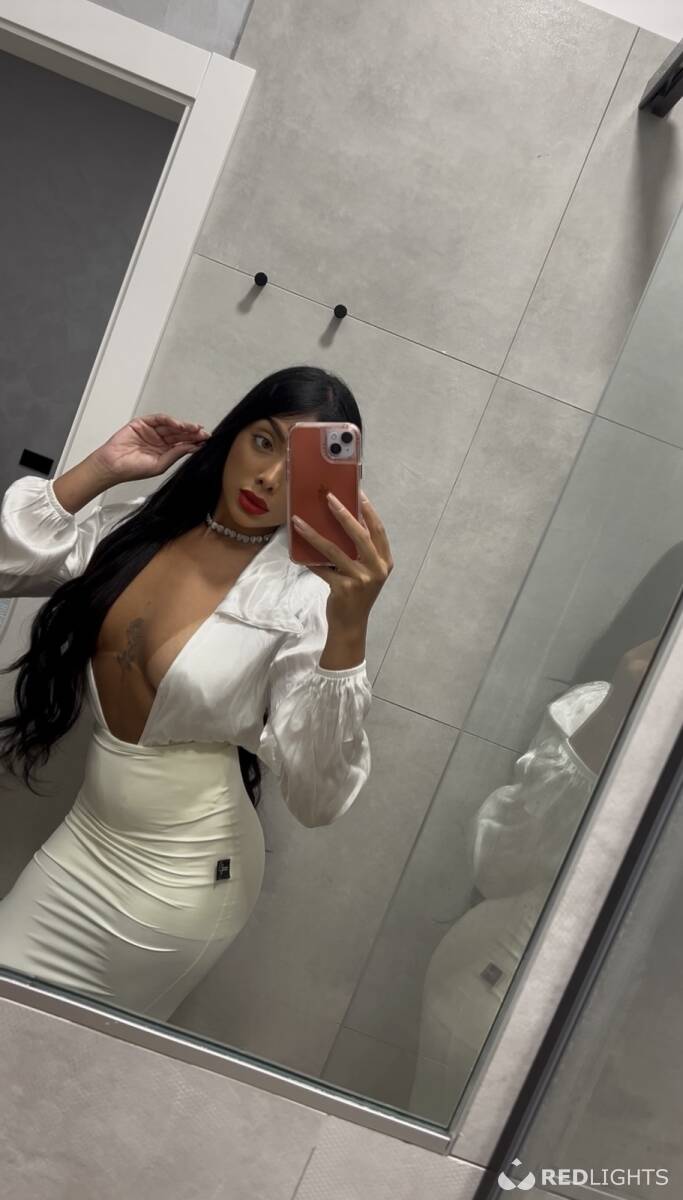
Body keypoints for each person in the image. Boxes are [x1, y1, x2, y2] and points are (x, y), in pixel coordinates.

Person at [0, 365, 393, 1020]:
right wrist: (102, 468)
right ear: (232, 436)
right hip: (85, 841)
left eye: (298, 467)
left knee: (66, 1062)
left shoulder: (305, 599)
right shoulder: (139, 529)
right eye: (263, 442)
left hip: (180, 883)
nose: (269, 478)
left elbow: (319, 797)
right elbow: (6, 564)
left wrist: (349, 625)